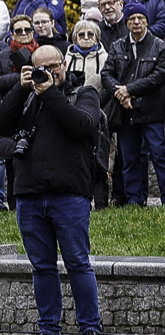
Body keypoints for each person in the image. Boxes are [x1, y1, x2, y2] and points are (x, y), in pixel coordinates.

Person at [2, 45, 104, 335]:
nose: (49, 72)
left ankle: (90, 329)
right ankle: (49, 330)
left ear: (63, 64)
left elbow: (82, 124)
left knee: (77, 262)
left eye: (54, 66)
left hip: (69, 193)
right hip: (30, 194)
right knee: (41, 266)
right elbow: (2, 125)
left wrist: (49, 93)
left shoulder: (83, 94)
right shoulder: (27, 97)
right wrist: (21, 90)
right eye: (40, 67)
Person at [107, 6, 165, 206]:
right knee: (129, 159)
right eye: (132, 19)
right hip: (126, 111)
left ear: (146, 21)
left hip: (151, 111)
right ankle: (134, 200)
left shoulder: (159, 46)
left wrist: (130, 90)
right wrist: (121, 94)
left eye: (140, 18)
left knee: (160, 156)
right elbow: (107, 74)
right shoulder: (117, 46)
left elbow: (160, 75)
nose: (136, 22)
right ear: (126, 22)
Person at [63, 19, 111, 208]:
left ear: (97, 37)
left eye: (90, 35)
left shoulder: (106, 58)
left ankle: (100, 201)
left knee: (100, 157)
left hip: (101, 113)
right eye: (81, 35)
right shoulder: (65, 59)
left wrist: (94, 104)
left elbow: (108, 83)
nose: (85, 38)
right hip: (73, 113)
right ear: (74, 37)